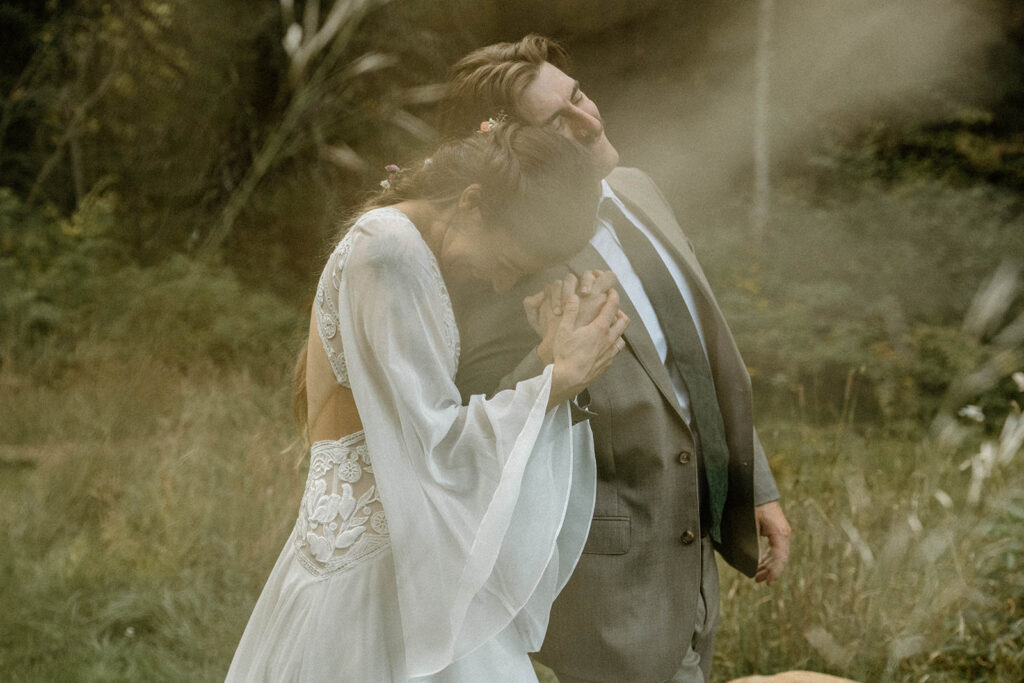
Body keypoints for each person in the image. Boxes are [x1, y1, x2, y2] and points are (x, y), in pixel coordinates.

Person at [440, 35, 793, 682]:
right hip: (601, 594)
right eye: (558, 121)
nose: (589, 119)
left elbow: (697, 350)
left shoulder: (637, 188)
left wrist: (752, 481)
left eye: (577, 95)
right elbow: (470, 431)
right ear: (524, 152)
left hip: (690, 569)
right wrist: (549, 362)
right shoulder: (509, 265)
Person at [225, 123, 630, 682]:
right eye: (509, 260)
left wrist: (546, 353)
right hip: (370, 580)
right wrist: (558, 378)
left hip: (398, 560)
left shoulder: (405, 246)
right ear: (471, 204)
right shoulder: (389, 253)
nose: (499, 283)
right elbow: (431, 446)